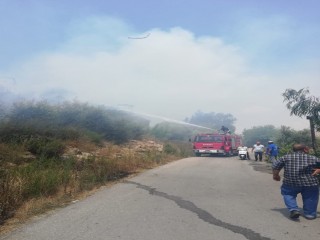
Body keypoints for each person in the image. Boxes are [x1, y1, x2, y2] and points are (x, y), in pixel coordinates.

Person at [272, 144, 320, 220]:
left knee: (288, 194)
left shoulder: (285, 157)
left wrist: (276, 176)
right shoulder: (313, 158)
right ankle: (309, 214)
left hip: (290, 183)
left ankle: (293, 210)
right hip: (310, 183)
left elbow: (276, 166)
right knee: (311, 197)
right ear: (305, 149)